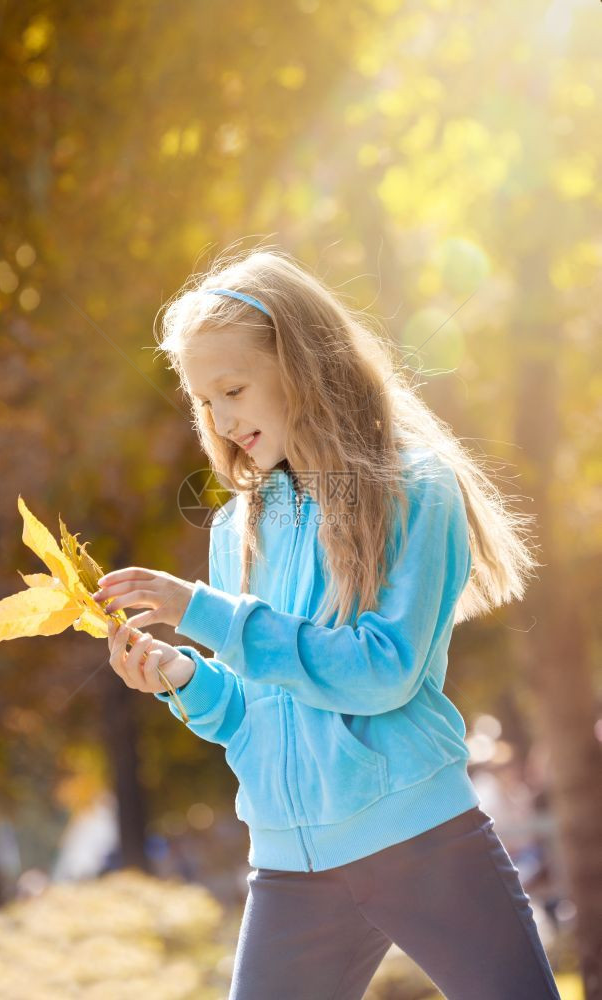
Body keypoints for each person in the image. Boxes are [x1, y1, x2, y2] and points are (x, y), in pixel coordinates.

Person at [92, 247, 561, 999]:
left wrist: (205, 612)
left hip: (420, 844)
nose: (219, 418)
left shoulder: (413, 488)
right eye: (203, 400)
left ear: (302, 366)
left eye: (234, 389)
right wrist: (180, 676)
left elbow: (380, 670)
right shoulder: (235, 529)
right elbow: (251, 715)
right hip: (288, 867)